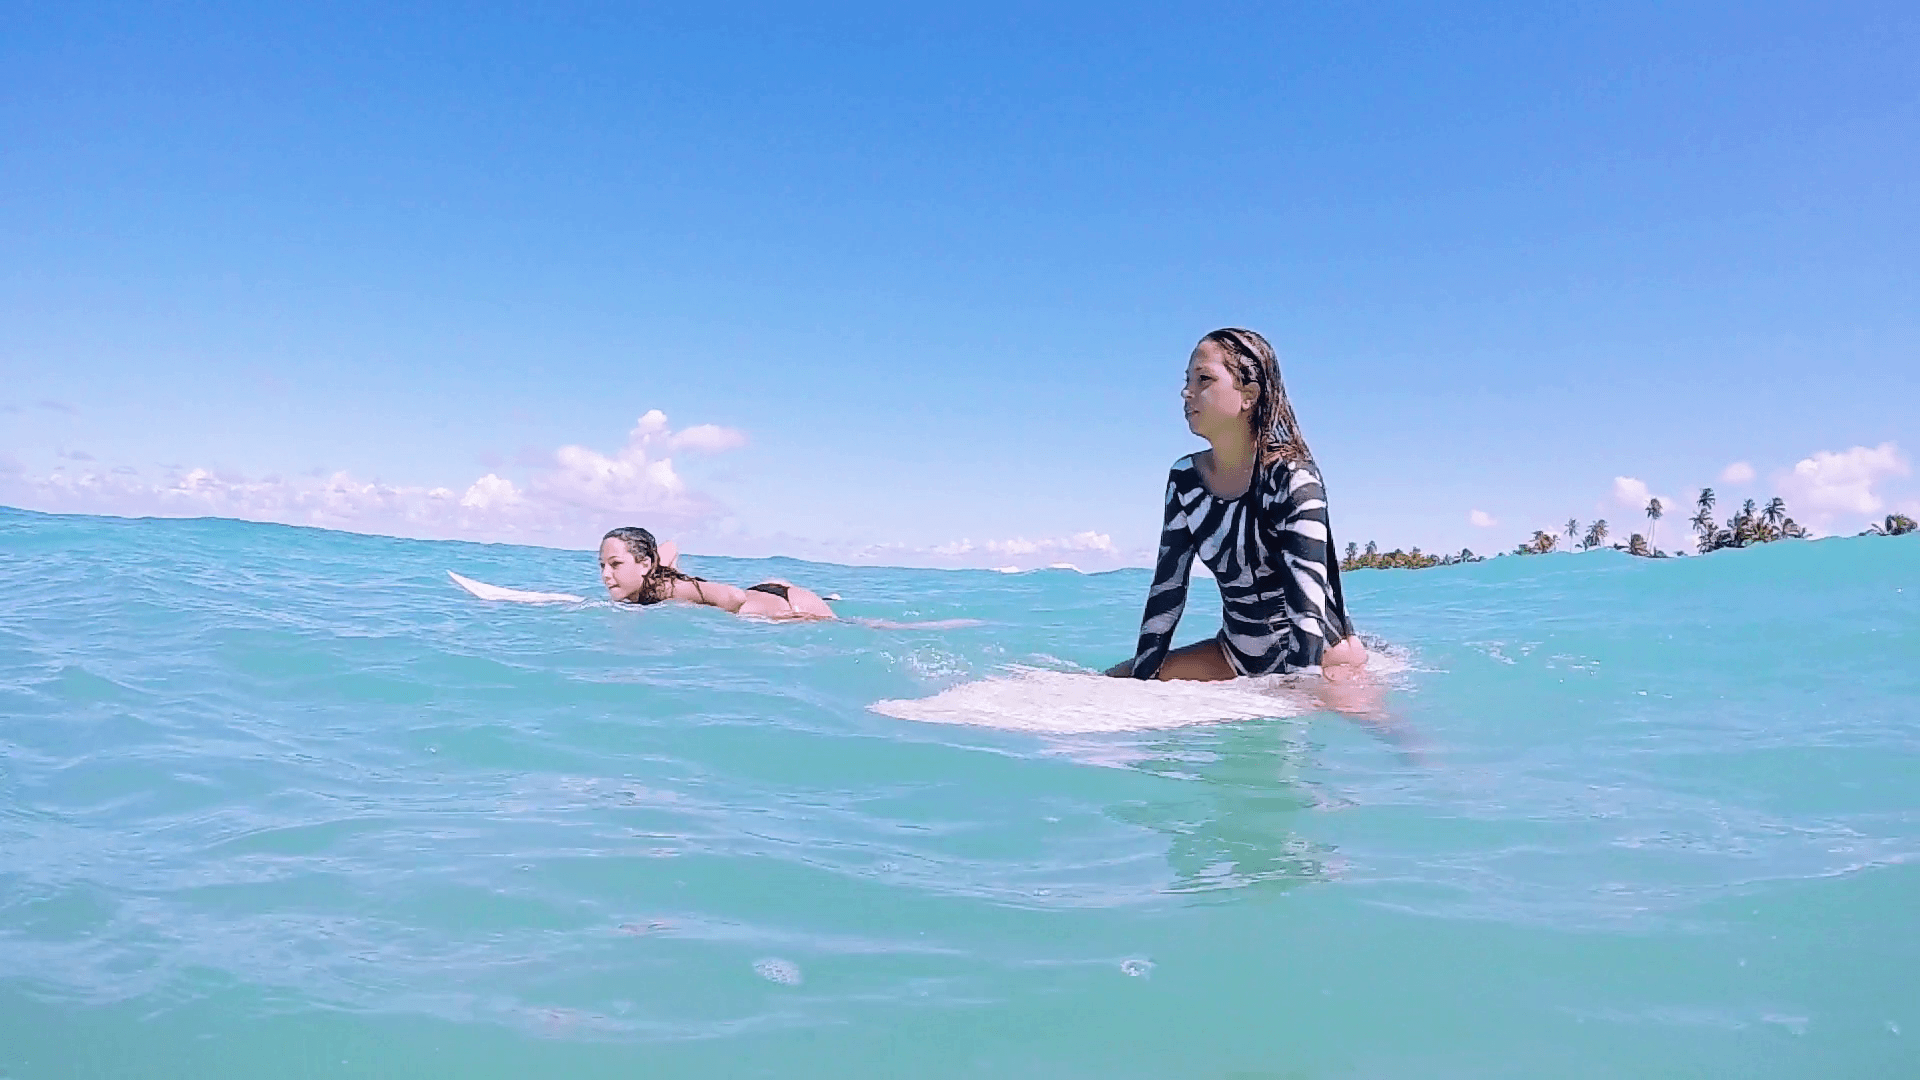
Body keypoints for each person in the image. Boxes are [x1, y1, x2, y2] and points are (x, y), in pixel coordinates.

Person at [1107, 328, 1369, 683]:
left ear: (1248, 395)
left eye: (1204, 379)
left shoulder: (1292, 478)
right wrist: (1141, 681)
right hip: (1234, 653)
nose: (1187, 392)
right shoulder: (1185, 479)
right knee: (1110, 682)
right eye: (1187, 381)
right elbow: (1167, 591)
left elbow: (1307, 610)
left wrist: (1299, 691)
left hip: (1322, 657)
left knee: (1396, 737)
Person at [598, 527, 835, 619]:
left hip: (792, 606)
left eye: (615, 564)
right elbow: (671, 546)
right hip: (765, 590)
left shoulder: (666, 589)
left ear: (644, 564)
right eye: (602, 565)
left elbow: (734, 597)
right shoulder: (654, 579)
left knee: (852, 626)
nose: (606, 575)